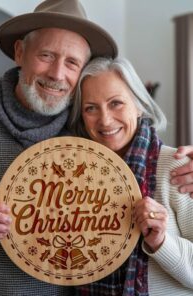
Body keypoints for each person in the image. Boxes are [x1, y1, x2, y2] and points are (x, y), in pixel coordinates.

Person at [0, 0, 192, 295]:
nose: (57, 73)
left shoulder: (90, 138)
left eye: (73, 62)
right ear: (20, 52)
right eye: (46, 55)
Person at [68, 56, 193, 295]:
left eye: (116, 103)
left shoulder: (179, 168)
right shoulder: (76, 176)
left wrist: (161, 242)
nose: (104, 120)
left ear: (139, 105)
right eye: (91, 108)